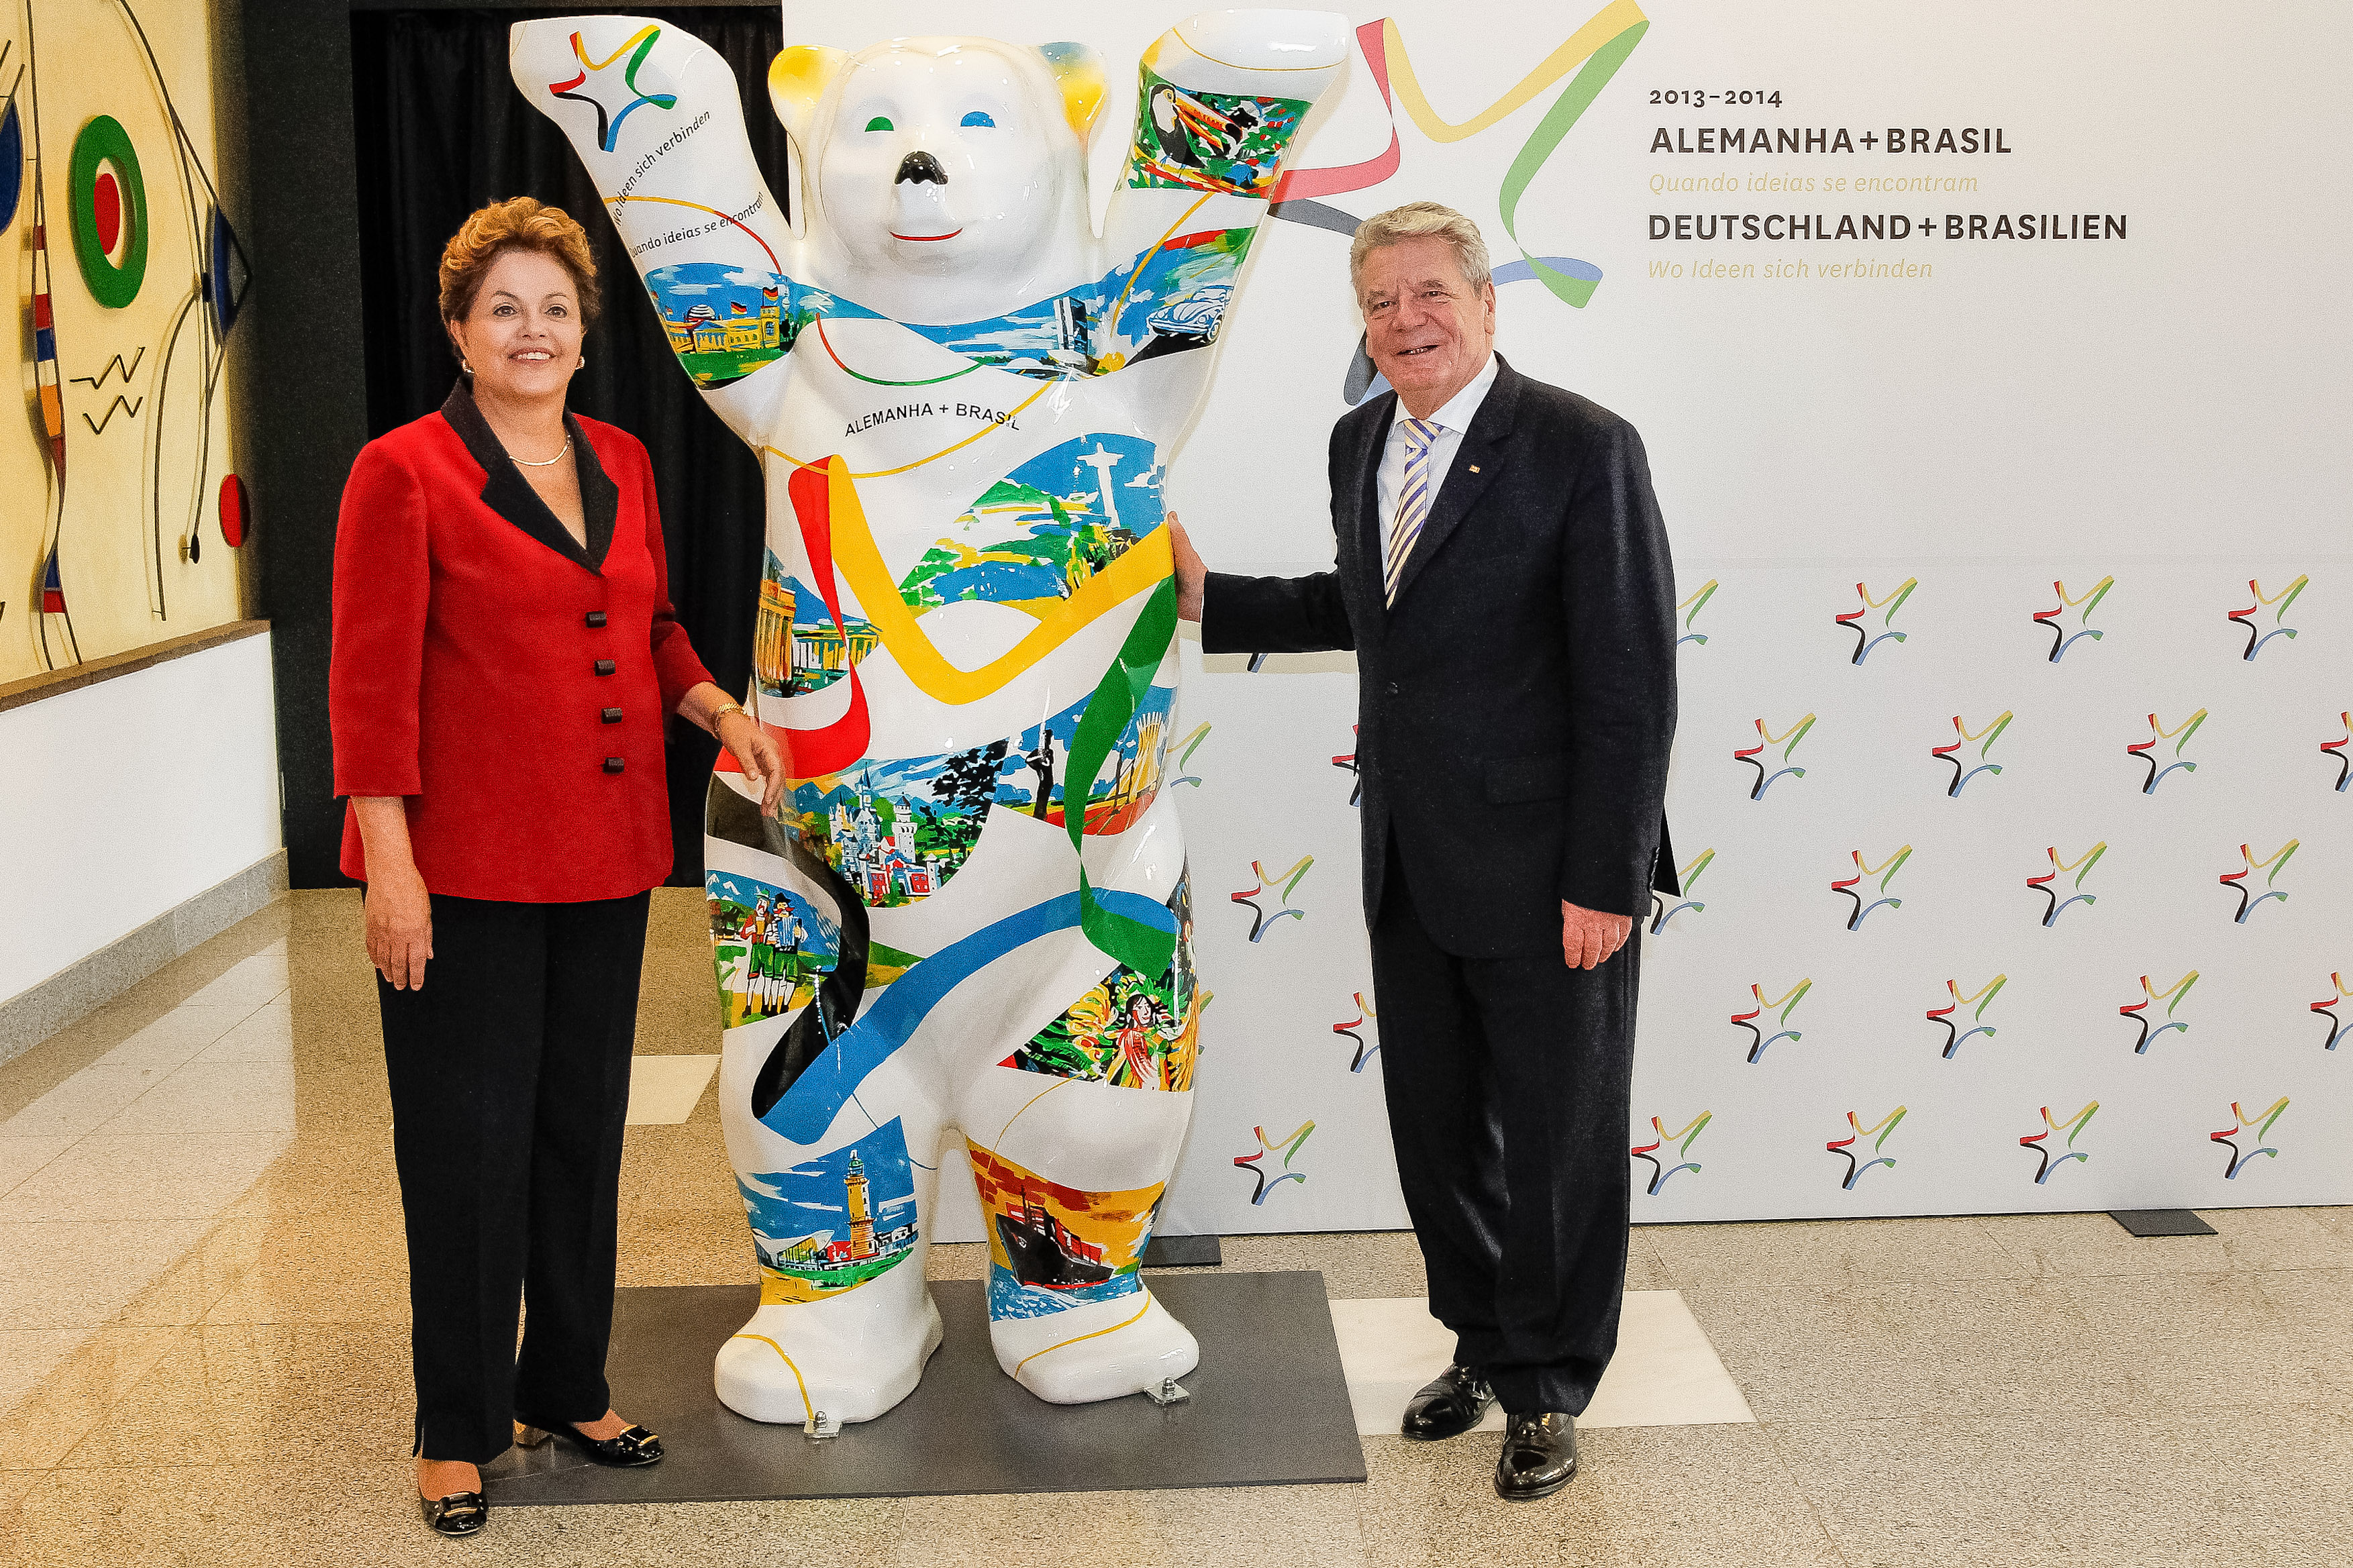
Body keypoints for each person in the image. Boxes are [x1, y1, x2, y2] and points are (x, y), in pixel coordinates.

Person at [1170, 201, 1678, 1502]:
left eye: (1428, 295)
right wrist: (1207, 596)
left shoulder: (1579, 446)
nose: (1406, 322)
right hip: (1409, 855)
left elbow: (1628, 681)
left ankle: (1549, 1382)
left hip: (1551, 871)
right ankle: (1482, 1339)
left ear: (1485, 302)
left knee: (1559, 1138)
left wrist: (1604, 880)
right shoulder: (1359, 441)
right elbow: (1373, 605)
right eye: (1380, 304)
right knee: (1440, 1130)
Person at [330, 197, 785, 1537]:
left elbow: (647, 626)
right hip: (458, 867)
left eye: (557, 310)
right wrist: (389, 865)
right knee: (466, 1148)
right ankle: (455, 1428)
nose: (533, 331)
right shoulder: (401, 470)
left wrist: (712, 705)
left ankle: (568, 1383)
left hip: (602, 855)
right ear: (459, 329)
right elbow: (367, 690)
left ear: (587, 336)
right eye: (504, 309)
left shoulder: (625, 460)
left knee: (581, 1131)